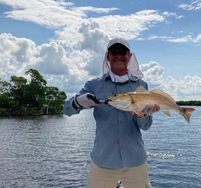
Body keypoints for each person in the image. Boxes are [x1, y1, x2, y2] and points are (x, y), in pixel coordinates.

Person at [64, 38, 160, 188]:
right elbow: (66, 110)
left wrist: (143, 114)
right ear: (108, 56)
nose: (118, 56)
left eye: (123, 52)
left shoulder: (141, 85)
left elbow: (146, 126)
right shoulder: (94, 85)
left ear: (129, 56)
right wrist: (78, 101)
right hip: (102, 161)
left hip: (135, 160)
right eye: (114, 52)